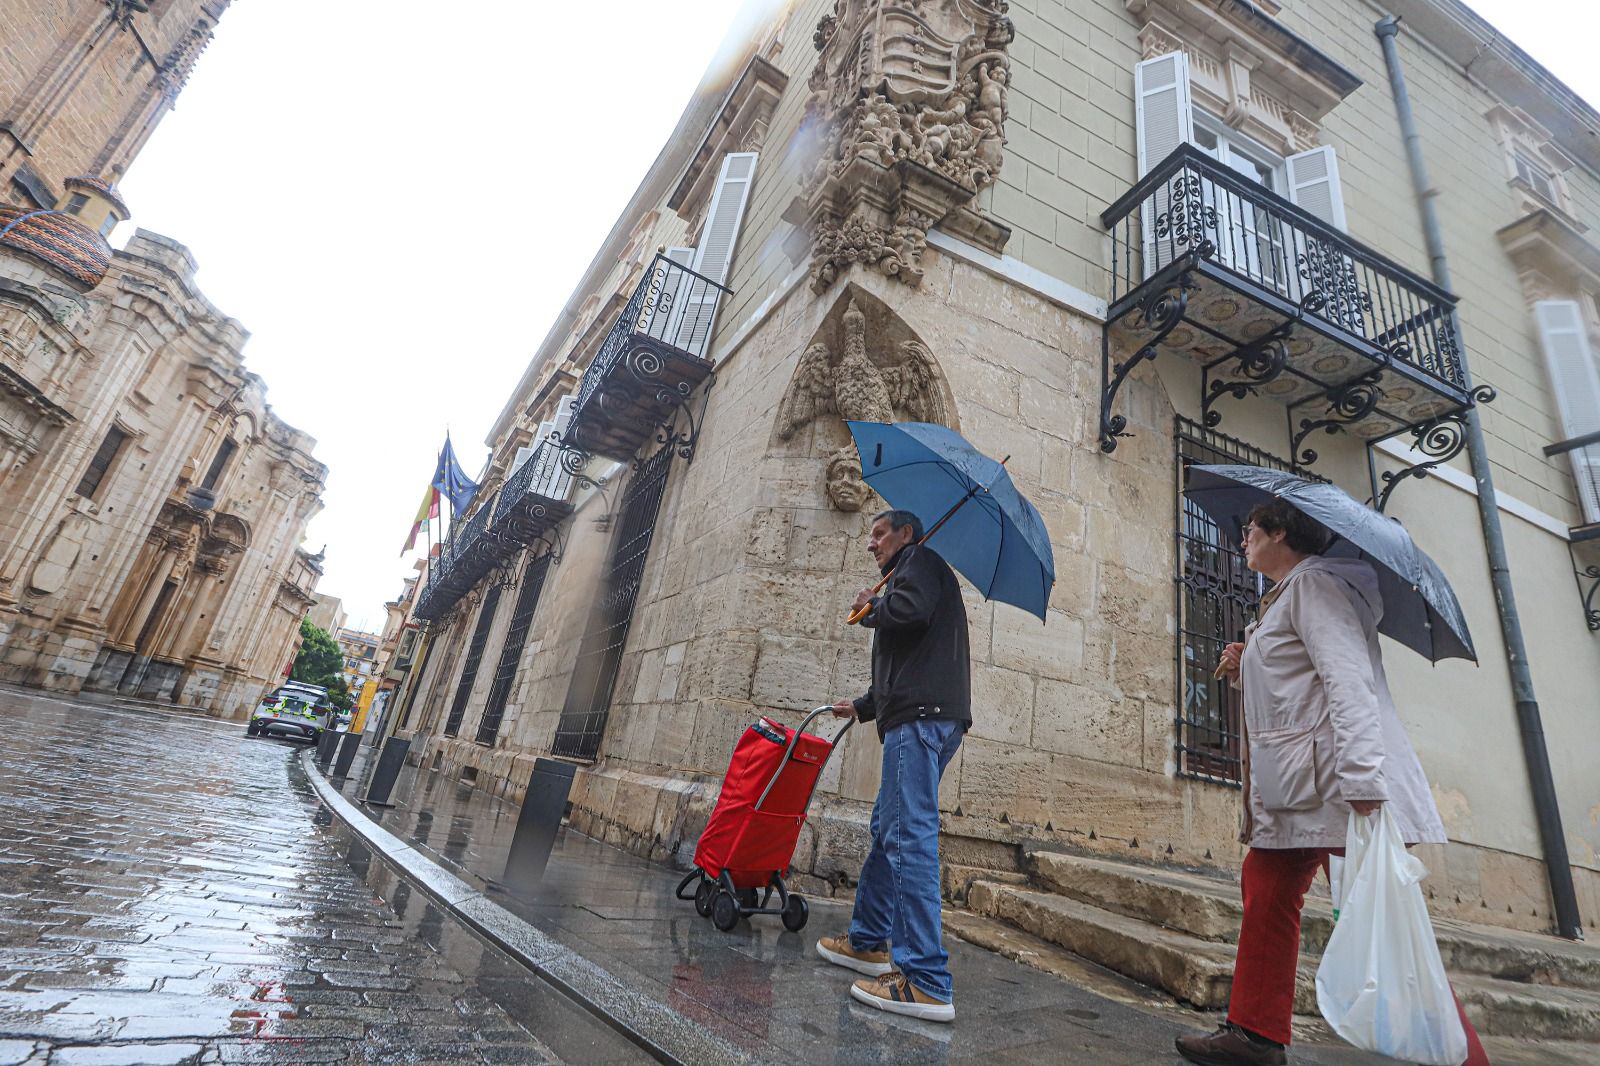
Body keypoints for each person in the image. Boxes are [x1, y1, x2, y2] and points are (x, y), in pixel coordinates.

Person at [1175, 498, 1490, 1066]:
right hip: (1300, 788)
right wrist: (1250, 663)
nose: (1243, 537)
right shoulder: (1289, 596)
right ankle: (1255, 1034)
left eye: (1251, 528)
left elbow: (1348, 682)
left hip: (1339, 786)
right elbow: (1303, 685)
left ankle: (1464, 1057)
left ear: (1279, 531)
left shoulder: (1316, 586)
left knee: (1388, 923)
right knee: (1267, 887)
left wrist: (1365, 781)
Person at [815, 508, 970, 1024]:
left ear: (907, 533)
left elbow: (908, 615)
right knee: (889, 829)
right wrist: (860, 706)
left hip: (919, 722)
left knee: (908, 836)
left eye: (879, 533)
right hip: (922, 715)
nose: (871, 543)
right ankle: (866, 941)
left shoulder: (918, 562)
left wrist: (873, 604)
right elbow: (910, 657)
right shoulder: (912, 572)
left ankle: (925, 978)